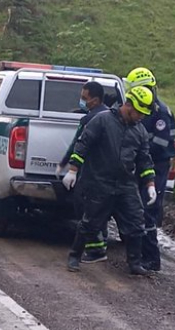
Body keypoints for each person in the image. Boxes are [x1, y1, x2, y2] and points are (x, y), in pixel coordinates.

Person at [63, 86, 157, 275]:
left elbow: (144, 160)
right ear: (128, 105)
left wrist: (150, 184)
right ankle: (74, 256)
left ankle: (135, 264)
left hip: (126, 185)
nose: (141, 117)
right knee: (89, 223)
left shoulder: (140, 131)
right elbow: (84, 144)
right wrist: (73, 170)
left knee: (136, 223)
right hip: (99, 182)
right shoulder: (103, 120)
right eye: (139, 112)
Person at [126, 67, 175, 272]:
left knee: (148, 210)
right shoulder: (146, 109)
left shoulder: (160, 113)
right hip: (144, 164)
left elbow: (159, 144)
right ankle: (138, 253)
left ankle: (151, 258)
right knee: (138, 209)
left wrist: (137, 150)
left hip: (156, 165)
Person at [56, 81, 109, 263]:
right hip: (109, 174)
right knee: (101, 210)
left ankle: (95, 250)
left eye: (84, 98)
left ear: (94, 100)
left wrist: (65, 164)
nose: (82, 101)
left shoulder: (89, 120)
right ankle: (101, 245)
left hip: (89, 173)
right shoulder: (113, 117)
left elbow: (77, 145)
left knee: (84, 210)